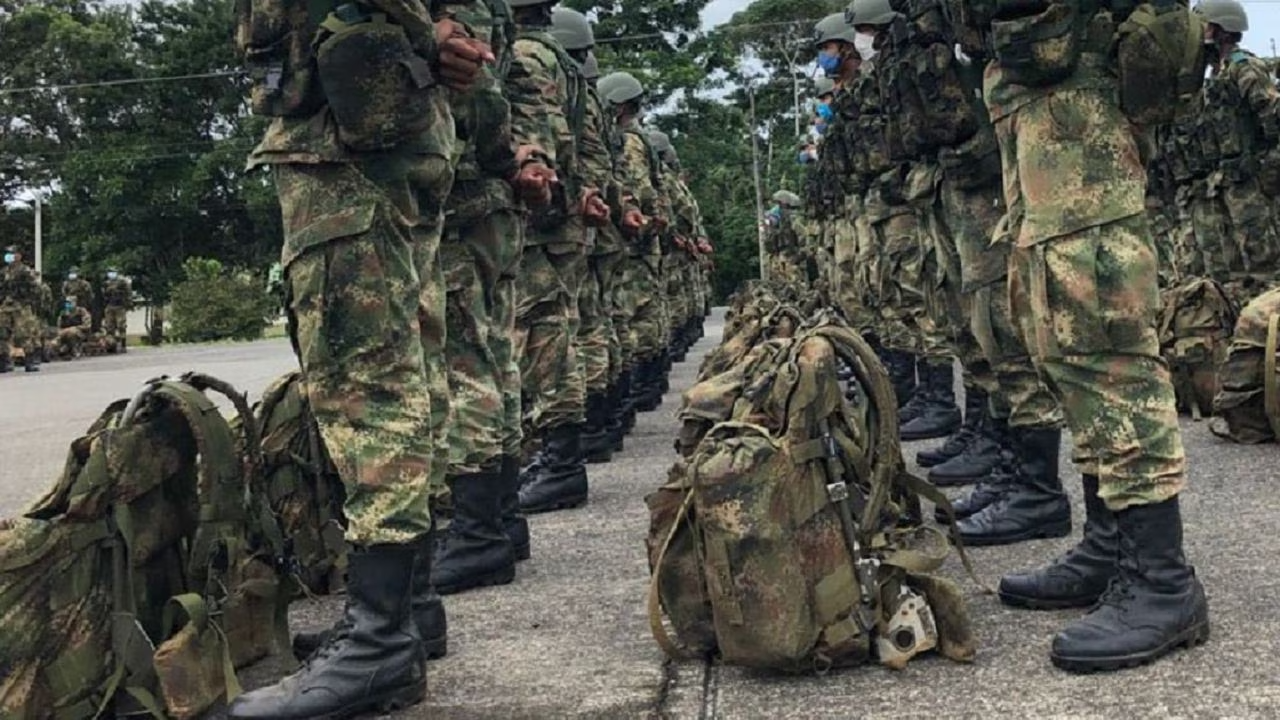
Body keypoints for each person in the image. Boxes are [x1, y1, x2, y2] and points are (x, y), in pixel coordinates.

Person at [225, 3, 494, 717]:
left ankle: (380, 644)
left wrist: (409, 23)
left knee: (364, 380)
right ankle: (408, 614)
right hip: (376, 116)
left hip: (349, 136)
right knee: (407, 366)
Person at [959, 0, 1210, 672]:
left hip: (1079, 116)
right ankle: (1111, 546)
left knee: (1103, 347)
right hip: (1047, 112)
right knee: (1061, 344)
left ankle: (1163, 582)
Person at [0, 246, 42, 373]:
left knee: (24, 333)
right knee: (2, 332)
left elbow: (35, 288)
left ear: (19, 255)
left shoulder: (25, 271)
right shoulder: (4, 272)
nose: (9, 256)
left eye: (12, 253)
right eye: (8, 253)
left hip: (21, 305)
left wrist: (28, 301)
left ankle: (29, 361)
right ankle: (4, 361)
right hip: (6, 305)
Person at [100, 268, 131, 353]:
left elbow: (128, 293)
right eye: (110, 272)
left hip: (120, 306)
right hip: (109, 306)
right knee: (109, 326)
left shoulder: (122, 282)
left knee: (121, 325)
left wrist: (127, 304)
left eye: (113, 272)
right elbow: (104, 295)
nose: (111, 274)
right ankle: (111, 346)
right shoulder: (106, 283)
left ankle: (123, 345)